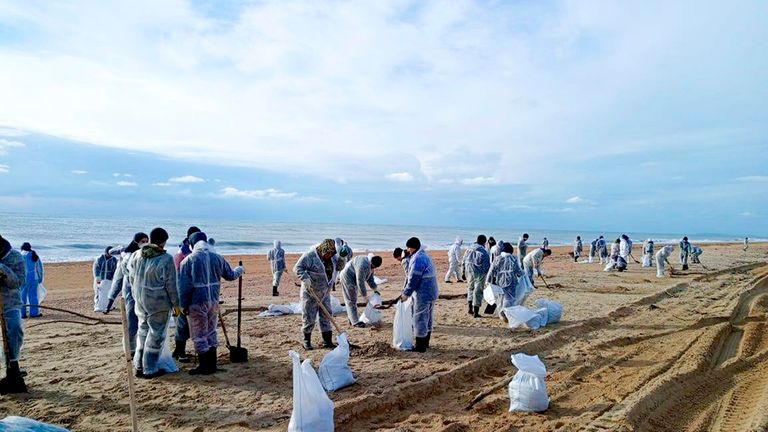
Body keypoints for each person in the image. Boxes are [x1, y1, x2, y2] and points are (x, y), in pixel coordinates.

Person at [178, 232, 244, 375]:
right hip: (213, 302)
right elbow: (230, 275)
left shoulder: (188, 261)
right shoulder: (217, 258)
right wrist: (240, 270)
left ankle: (204, 366)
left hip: (196, 303)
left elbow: (184, 287)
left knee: (199, 334)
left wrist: (183, 306)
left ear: (192, 244)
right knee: (211, 331)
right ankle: (212, 364)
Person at [128, 227, 179, 379]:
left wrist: (136, 295)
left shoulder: (137, 254)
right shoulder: (165, 259)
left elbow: (131, 277)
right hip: (158, 302)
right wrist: (176, 304)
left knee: (142, 332)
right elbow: (171, 285)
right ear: (163, 242)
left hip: (140, 300)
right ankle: (149, 368)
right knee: (156, 335)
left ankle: (138, 365)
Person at [105, 232, 149, 356]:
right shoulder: (128, 255)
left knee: (141, 322)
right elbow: (120, 279)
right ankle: (130, 348)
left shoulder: (142, 255)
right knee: (132, 321)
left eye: (147, 241)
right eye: (142, 241)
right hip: (130, 292)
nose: (145, 243)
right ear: (136, 241)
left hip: (140, 293)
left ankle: (138, 347)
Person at [294, 239, 338, 350]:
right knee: (309, 317)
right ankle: (307, 341)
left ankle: (327, 341)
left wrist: (342, 258)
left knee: (326, 315)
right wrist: (305, 278)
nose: (329, 255)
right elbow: (297, 268)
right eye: (327, 253)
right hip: (310, 293)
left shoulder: (332, 257)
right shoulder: (310, 256)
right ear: (323, 249)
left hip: (325, 292)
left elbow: (339, 267)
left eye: (331, 253)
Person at [400, 237, 438, 353]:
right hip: (431, 291)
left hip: (424, 292)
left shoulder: (418, 258)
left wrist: (406, 293)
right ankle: (425, 343)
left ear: (413, 247)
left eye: (409, 248)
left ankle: (420, 346)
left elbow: (413, 278)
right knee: (428, 317)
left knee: (420, 318)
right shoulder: (424, 255)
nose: (408, 250)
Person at [0, 234, 27, 394]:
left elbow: (18, 282)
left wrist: (2, 269)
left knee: (15, 329)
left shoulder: (15, 256)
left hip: (10, 302)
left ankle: (13, 366)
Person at [171, 226, 200, 363]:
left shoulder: (192, 251)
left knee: (186, 324)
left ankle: (178, 350)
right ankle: (180, 351)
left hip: (192, 292)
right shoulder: (182, 254)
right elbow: (179, 277)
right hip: (182, 292)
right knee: (182, 323)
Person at [340, 255, 382, 327]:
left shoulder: (370, 266)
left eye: (375, 267)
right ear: (371, 262)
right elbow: (360, 282)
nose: (373, 268)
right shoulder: (363, 265)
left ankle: (352, 318)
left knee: (353, 299)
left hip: (353, 278)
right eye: (373, 266)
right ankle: (355, 322)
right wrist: (364, 295)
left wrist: (375, 288)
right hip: (347, 278)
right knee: (351, 300)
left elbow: (370, 279)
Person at [486, 242, 523, 317]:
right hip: (511, 281)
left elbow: (491, 270)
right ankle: (505, 312)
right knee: (509, 298)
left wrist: (488, 281)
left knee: (501, 296)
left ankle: (501, 312)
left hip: (500, 280)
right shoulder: (513, 258)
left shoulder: (497, 258)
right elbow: (518, 271)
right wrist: (523, 274)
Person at [463, 235, 491, 318]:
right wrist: (487, 275)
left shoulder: (469, 249)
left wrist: (463, 272)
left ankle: (470, 309)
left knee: (470, 289)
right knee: (478, 291)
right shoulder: (483, 251)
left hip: (469, 271)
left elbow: (463, 261)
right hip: (479, 273)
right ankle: (476, 312)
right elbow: (487, 265)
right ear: (484, 242)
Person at [19, 243, 43, 319]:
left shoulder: (19, 256)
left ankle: (22, 314)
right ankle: (34, 313)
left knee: (22, 296)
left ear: (22, 248)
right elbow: (39, 268)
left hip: (22, 278)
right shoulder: (34, 255)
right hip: (33, 278)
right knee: (33, 295)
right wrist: (40, 278)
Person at [93, 246, 118, 312]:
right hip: (100, 279)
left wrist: (113, 278)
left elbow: (115, 270)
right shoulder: (99, 259)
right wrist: (98, 278)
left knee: (109, 292)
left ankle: (108, 306)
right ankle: (97, 305)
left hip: (109, 279)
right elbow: (96, 269)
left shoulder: (114, 260)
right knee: (98, 292)